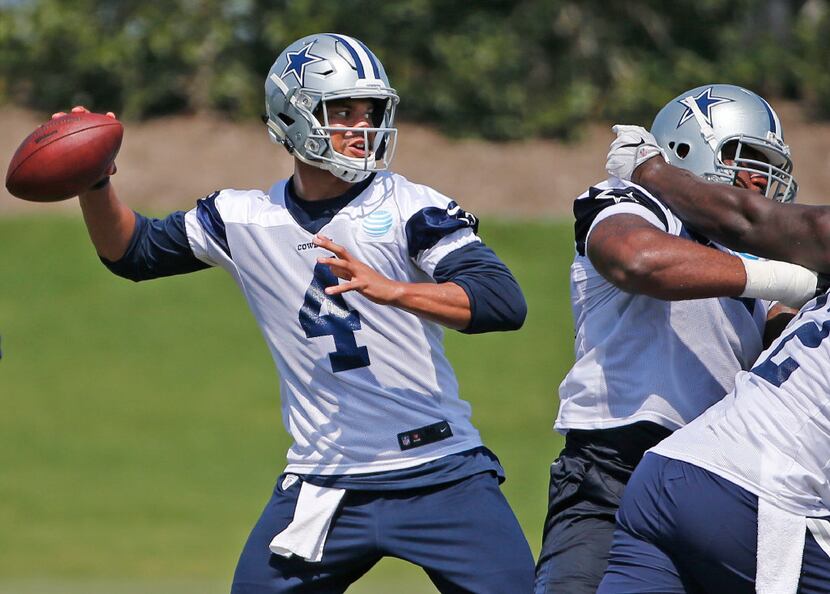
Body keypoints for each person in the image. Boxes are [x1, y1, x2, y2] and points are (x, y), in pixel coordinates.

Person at [64, 33, 535, 593]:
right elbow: (131, 253)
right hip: (324, 479)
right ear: (294, 115)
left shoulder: (409, 205)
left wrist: (393, 290)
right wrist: (94, 180)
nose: (363, 129)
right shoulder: (242, 217)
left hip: (439, 471)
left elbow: (502, 301)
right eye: (343, 111)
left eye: (371, 111)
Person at [534, 84, 823, 594]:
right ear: (688, 149)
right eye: (747, 158)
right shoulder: (630, 202)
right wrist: (788, 279)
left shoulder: (753, 253)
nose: (761, 178)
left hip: (716, 474)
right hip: (613, 464)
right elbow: (639, 260)